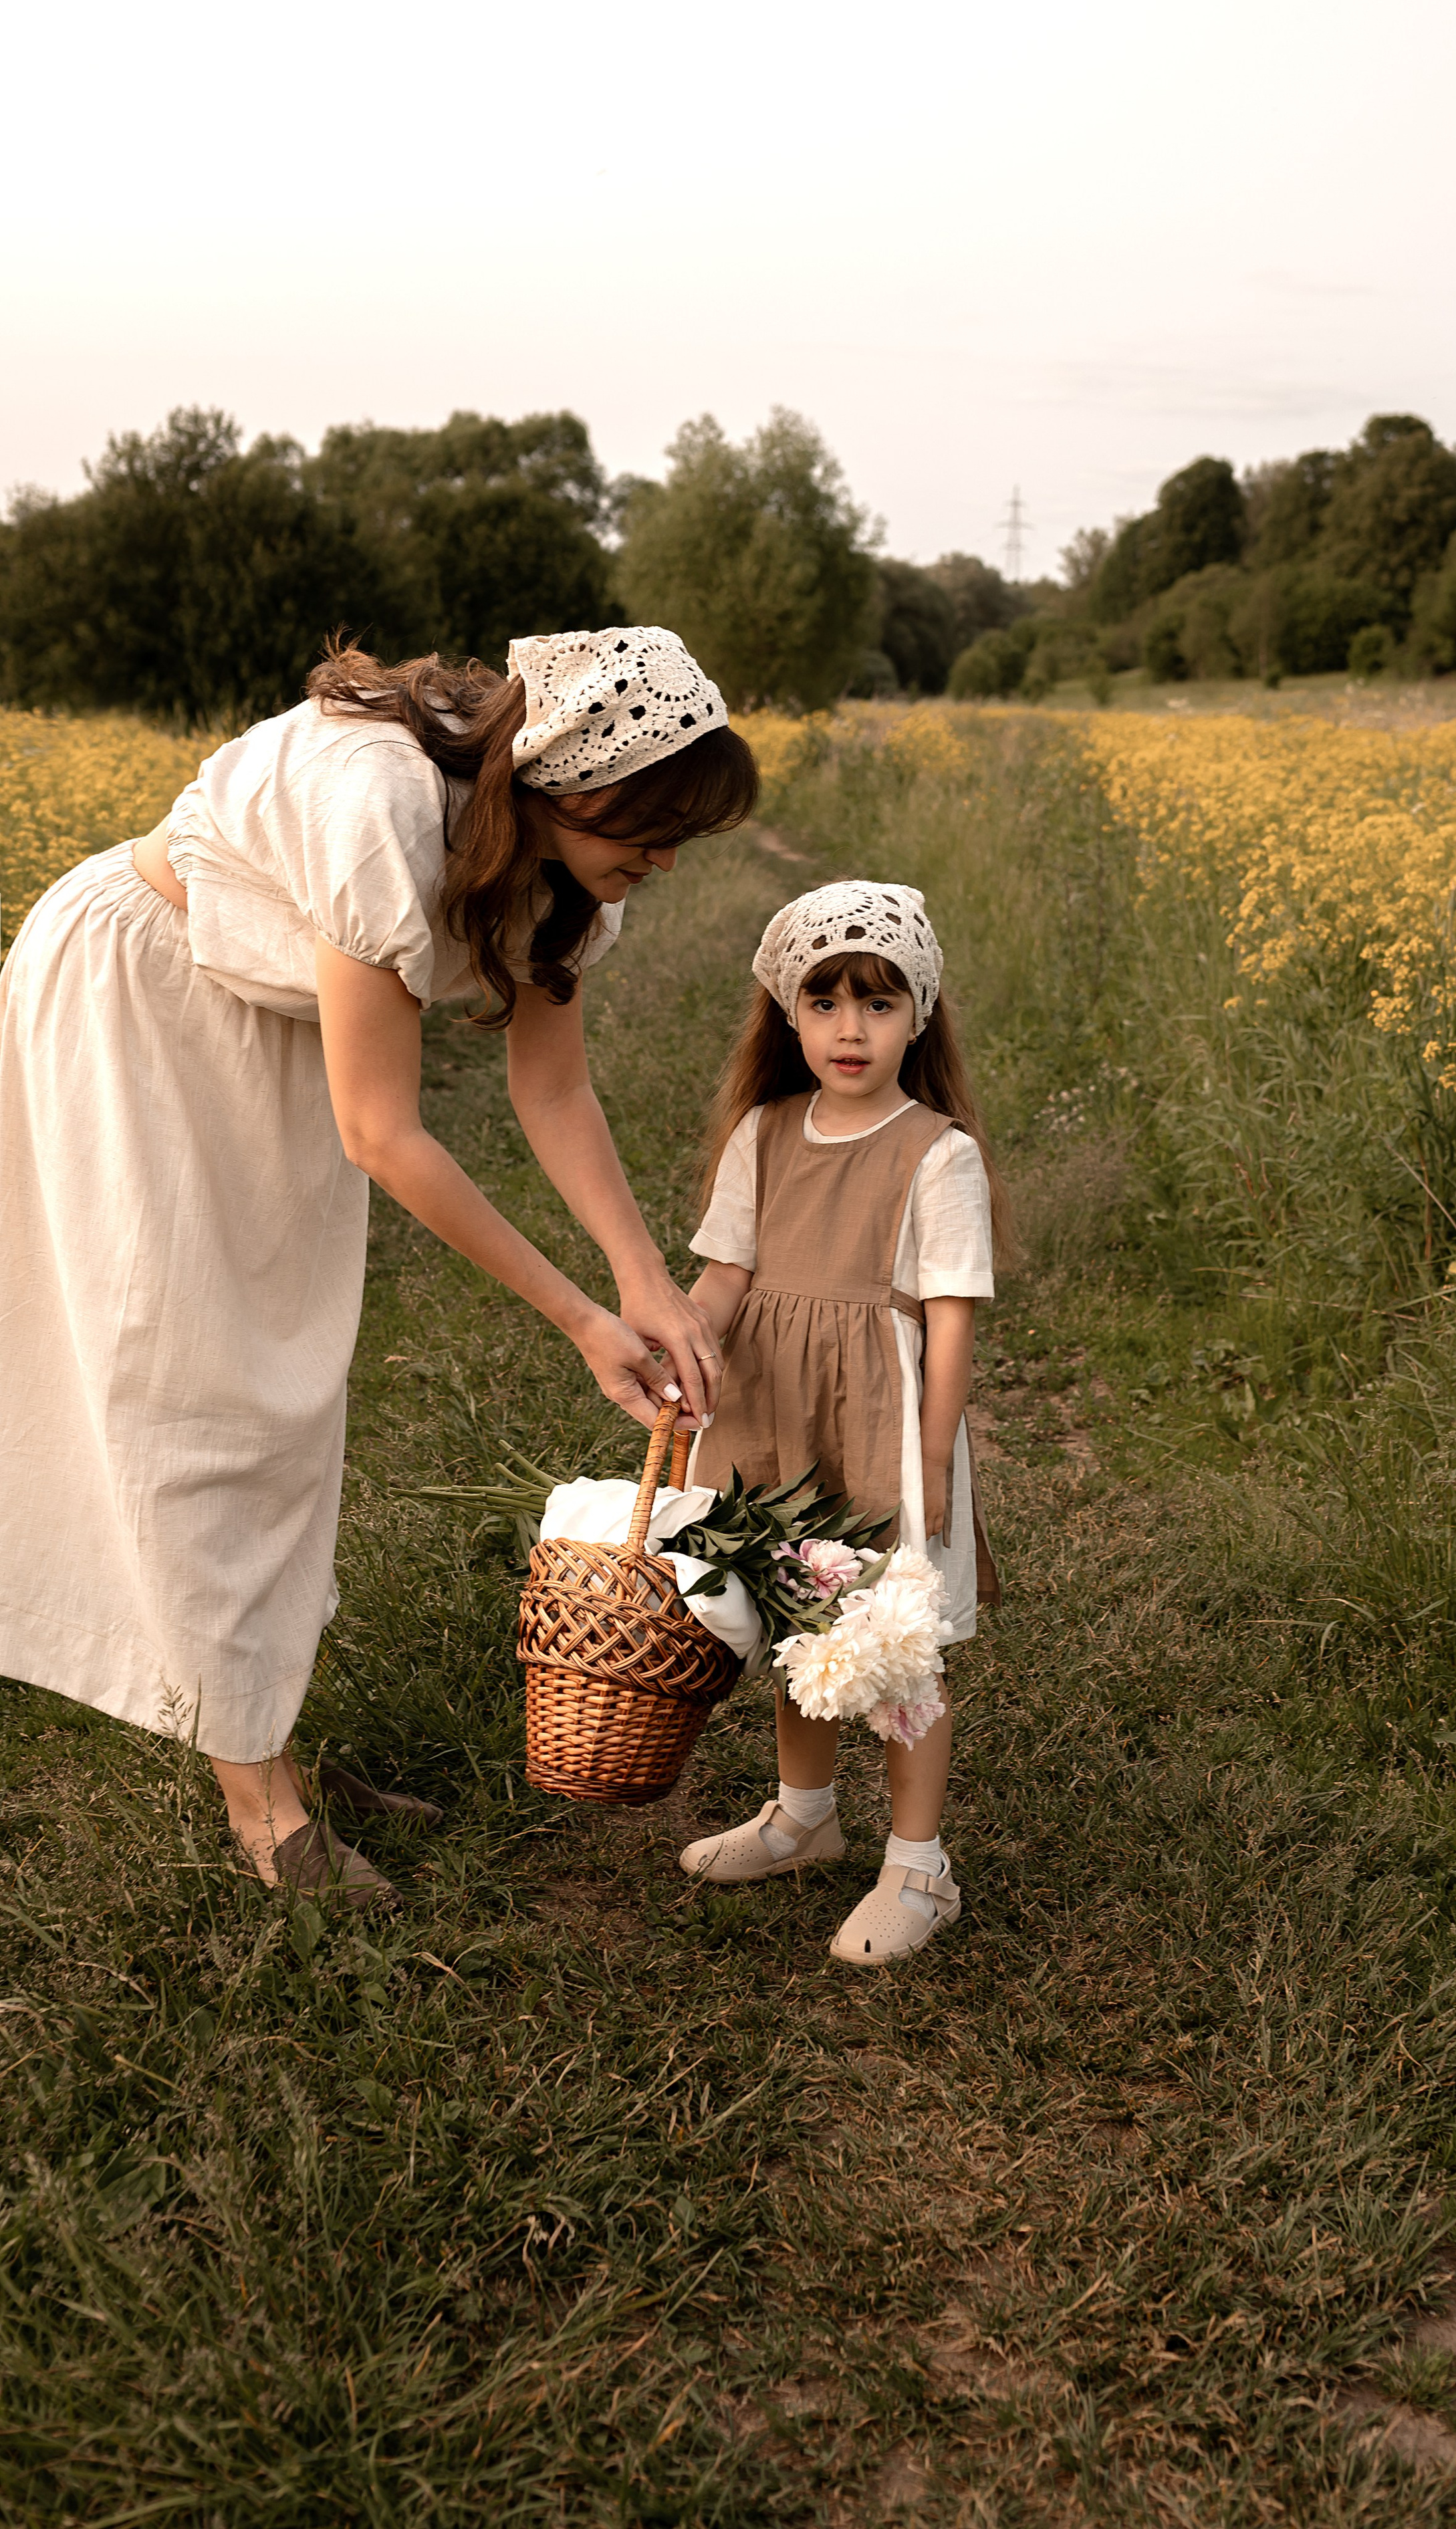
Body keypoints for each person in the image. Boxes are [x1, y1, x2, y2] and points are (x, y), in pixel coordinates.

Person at [0, 626, 755, 1904]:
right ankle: (262, 1802)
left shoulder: (568, 882)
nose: (669, 858)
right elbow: (383, 1133)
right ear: (571, 775)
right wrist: (580, 1320)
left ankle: (259, 1720)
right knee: (194, 1388)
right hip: (140, 1002)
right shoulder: (386, 808)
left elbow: (555, 1094)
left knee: (288, 1383)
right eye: (657, 820)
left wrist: (645, 1280)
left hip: (263, 1029)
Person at [677, 881, 1004, 1963]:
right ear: (789, 1016)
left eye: (878, 1002)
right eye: (824, 1002)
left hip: (881, 1427)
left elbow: (950, 1318)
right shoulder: (764, 1135)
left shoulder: (936, 1153)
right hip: (777, 1417)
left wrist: (936, 1464)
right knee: (798, 1625)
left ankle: (920, 1865)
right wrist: (691, 1343)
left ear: (919, 1016)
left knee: (891, 1647)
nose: (850, 1028)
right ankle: (802, 1817)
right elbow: (727, 1273)